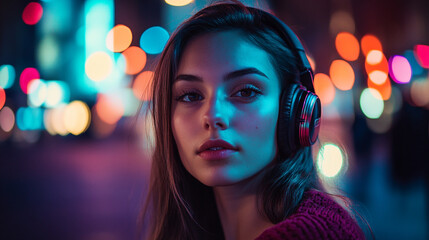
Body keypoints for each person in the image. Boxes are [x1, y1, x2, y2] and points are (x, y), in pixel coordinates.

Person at [140, 1, 365, 239]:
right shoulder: (190, 227)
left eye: (245, 91)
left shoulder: (316, 234)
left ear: (296, 109)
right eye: (191, 95)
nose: (213, 116)